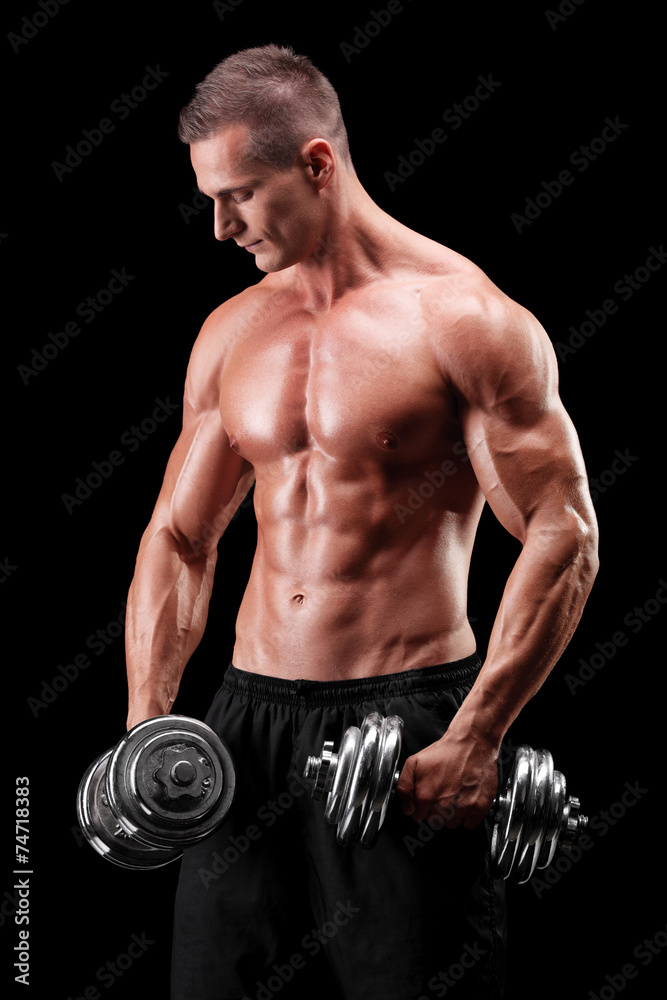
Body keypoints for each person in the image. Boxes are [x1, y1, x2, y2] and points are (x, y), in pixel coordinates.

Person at [124, 44, 599, 1000]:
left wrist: (477, 732)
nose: (220, 228)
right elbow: (179, 536)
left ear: (316, 162)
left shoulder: (462, 320)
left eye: (241, 195)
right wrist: (148, 723)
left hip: (402, 724)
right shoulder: (232, 331)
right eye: (210, 199)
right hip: (242, 723)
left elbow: (562, 528)